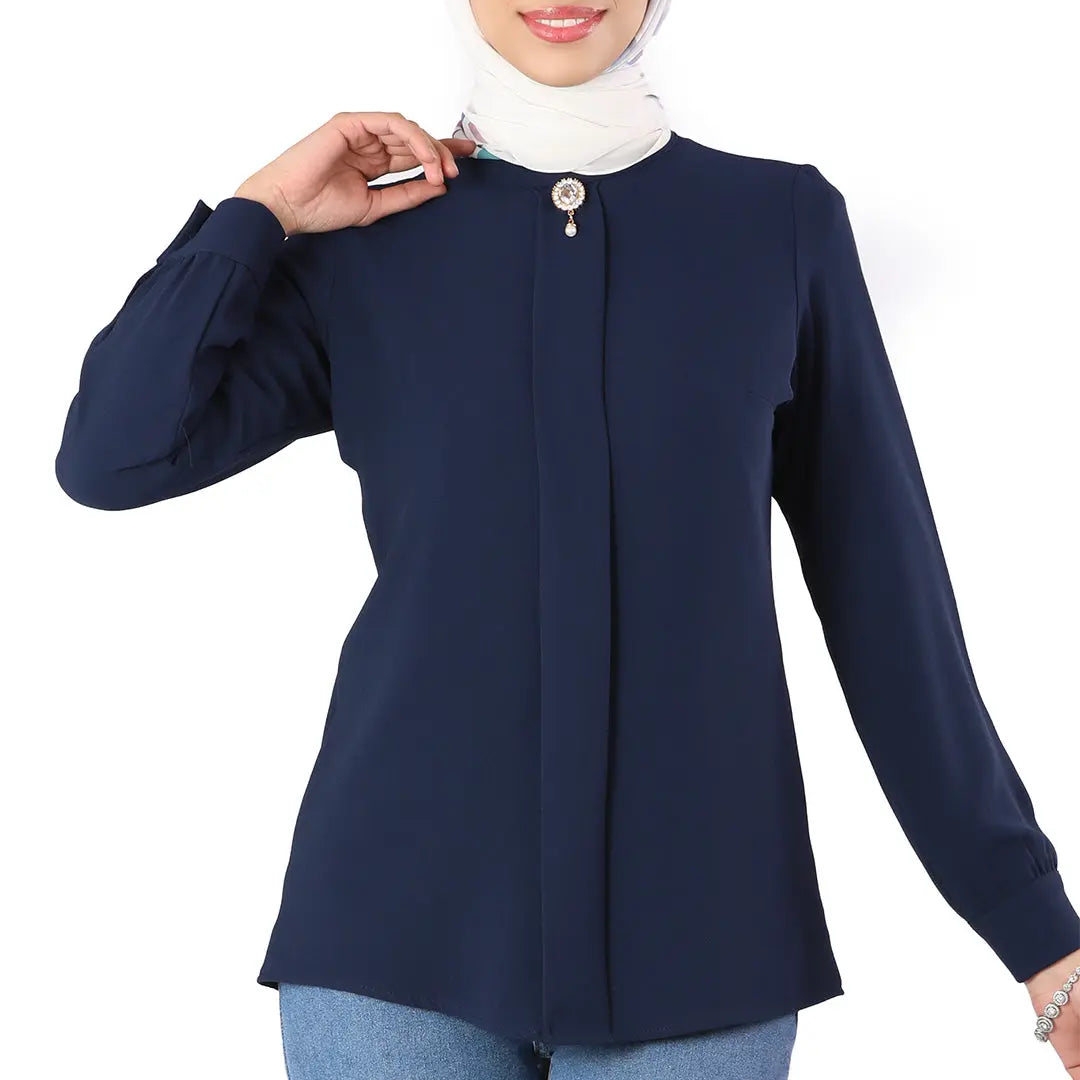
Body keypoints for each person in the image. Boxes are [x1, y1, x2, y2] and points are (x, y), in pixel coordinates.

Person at [54, 1, 1080, 1078]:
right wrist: (259, 212)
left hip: (703, 939)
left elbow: (888, 607)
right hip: (393, 938)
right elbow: (113, 457)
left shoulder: (777, 226)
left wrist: (1037, 932)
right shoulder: (364, 238)